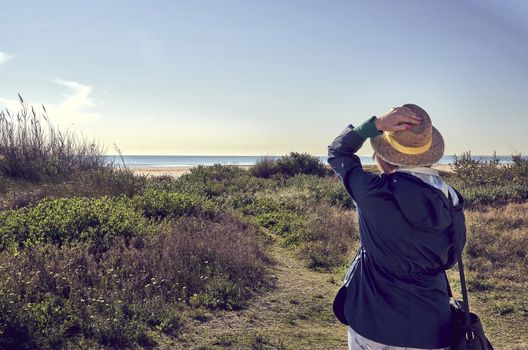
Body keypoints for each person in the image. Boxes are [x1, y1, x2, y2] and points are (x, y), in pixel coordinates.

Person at [327, 104, 466, 350]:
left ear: (384, 154)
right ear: (429, 153)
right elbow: (451, 258)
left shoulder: (373, 191)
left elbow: (338, 152)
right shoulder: (451, 200)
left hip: (371, 323)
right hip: (432, 329)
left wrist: (375, 125)